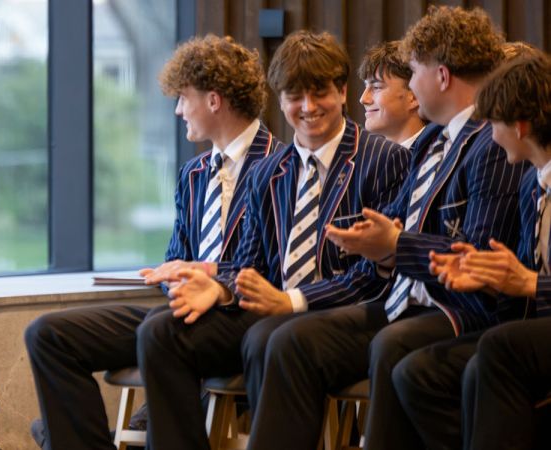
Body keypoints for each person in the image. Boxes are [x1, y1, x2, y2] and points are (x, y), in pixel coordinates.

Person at [248, 7, 526, 450]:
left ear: (442, 75)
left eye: (412, 73)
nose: (411, 88)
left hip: (458, 308)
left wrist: (393, 244)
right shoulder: (435, 140)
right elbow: (394, 219)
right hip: (402, 299)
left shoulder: (488, 141)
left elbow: (478, 254)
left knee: (390, 345)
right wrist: (369, 236)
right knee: (288, 341)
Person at [135, 30, 410, 450]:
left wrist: (292, 302)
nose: (307, 108)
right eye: (294, 96)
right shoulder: (268, 171)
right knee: (163, 332)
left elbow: (378, 276)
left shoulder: (384, 159)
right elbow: (250, 263)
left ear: (341, 92)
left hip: (353, 313)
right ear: (280, 100)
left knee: (275, 338)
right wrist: (222, 288)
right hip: (274, 308)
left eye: (319, 93)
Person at [24, 34, 282, 450]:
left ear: (213, 100)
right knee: (48, 334)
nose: (179, 109)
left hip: (242, 316)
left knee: (160, 330)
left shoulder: (280, 166)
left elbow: (274, 270)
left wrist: (211, 285)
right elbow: (175, 259)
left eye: (184, 98)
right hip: (184, 312)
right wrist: (176, 277)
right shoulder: (194, 172)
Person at [406, 54, 551, 450]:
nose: (488, 133)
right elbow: (521, 283)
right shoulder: (532, 187)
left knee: (500, 348)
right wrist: (488, 278)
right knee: (419, 373)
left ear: (520, 127)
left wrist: (530, 283)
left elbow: (532, 283)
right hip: (537, 331)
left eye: (492, 123)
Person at [358, 40, 426, 147]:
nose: (363, 99)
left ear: (414, 97)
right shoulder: (367, 158)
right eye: (366, 86)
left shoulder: (439, 157)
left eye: (376, 87)